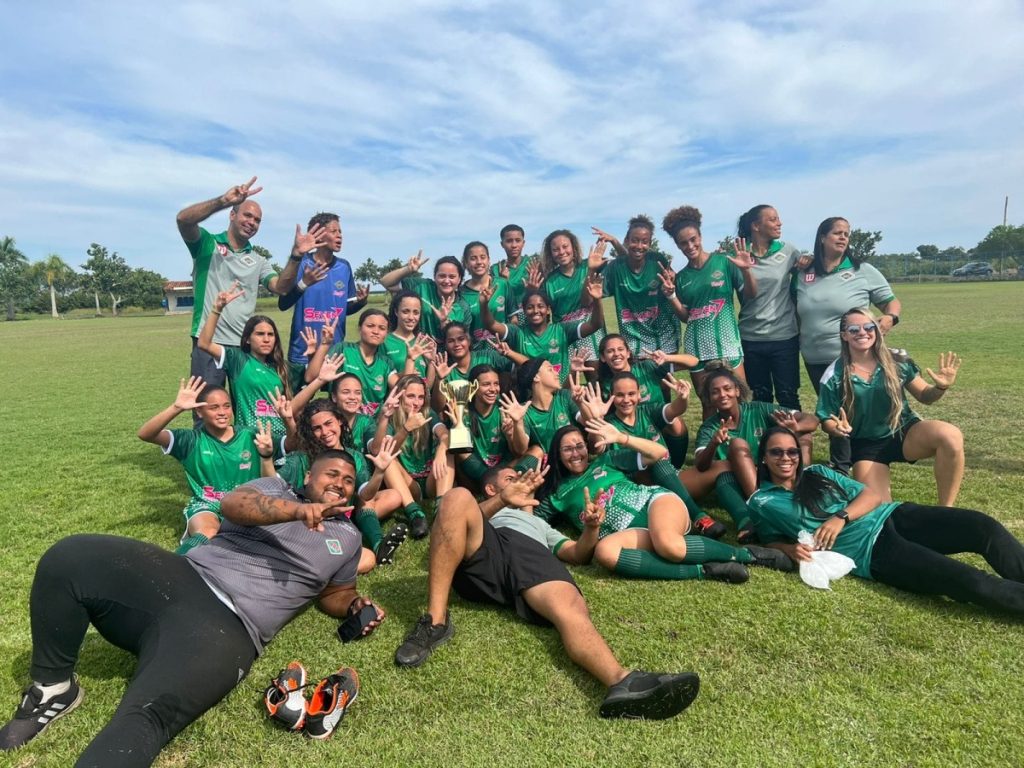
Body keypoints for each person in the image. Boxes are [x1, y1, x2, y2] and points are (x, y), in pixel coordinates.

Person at [0, 451, 381, 764]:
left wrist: (354, 605)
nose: (340, 483)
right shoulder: (276, 488)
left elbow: (336, 592)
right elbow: (234, 505)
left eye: (349, 480)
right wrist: (295, 511)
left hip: (230, 627)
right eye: (332, 474)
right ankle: (53, 689)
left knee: (146, 717)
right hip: (183, 575)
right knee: (69, 558)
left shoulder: (347, 538)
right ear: (309, 476)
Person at [393, 466, 702, 720]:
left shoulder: (541, 526)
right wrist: (503, 500)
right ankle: (435, 621)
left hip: (531, 556)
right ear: (491, 489)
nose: (523, 483)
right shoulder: (486, 508)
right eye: (512, 478)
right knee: (457, 496)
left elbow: (577, 554)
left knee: (569, 609)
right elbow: (451, 527)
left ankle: (622, 683)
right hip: (485, 548)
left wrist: (591, 529)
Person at [749, 426, 1024, 615]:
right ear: (764, 456)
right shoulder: (763, 502)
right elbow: (769, 539)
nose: (786, 458)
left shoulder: (818, 472)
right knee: (969, 580)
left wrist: (840, 518)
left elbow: (871, 496)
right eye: (776, 452)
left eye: (792, 451)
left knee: (982, 527)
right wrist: (788, 550)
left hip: (894, 515)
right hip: (874, 552)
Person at [536, 420, 795, 583]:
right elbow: (531, 520)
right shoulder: (557, 496)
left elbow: (659, 453)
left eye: (580, 446)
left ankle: (748, 555)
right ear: (557, 454)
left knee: (668, 545)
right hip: (631, 533)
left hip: (655, 503)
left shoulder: (604, 462)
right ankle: (706, 571)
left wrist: (621, 438)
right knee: (605, 552)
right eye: (568, 449)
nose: (576, 453)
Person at [175, 177, 315, 390]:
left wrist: (296, 256)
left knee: (250, 407)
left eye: (257, 220)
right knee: (207, 410)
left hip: (246, 346)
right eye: (247, 215)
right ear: (232, 214)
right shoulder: (207, 244)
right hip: (209, 341)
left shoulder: (258, 260)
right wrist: (222, 201)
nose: (252, 222)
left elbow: (280, 287)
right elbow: (184, 220)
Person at [816, 308, 964, 505]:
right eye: (854, 329)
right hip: (866, 446)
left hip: (904, 433)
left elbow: (925, 396)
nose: (862, 332)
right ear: (844, 335)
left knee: (950, 436)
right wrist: (837, 429)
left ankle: (946, 510)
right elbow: (826, 419)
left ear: (877, 330)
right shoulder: (833, 374)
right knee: (879, 509)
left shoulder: (897, 360)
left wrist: (940, 386)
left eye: (869, 327)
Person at [793, 216, 902, 471]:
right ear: (822, 237)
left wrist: (890, 318)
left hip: (851, 354)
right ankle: (847, 459)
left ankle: (844, 463)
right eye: (837, 233)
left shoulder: (861, 270)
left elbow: (891, 302)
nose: (843, 237)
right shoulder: (804, 273)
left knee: (849, 407)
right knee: (832, 408)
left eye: (847, 234)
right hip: (813, 354)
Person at [137, 376, 291, 554]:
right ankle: (173, 567)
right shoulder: (190, 440)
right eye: (214, 407)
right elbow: (145, 434)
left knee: (261, 542)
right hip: (208, 505)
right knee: (209, 533)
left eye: (227, 406)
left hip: (245, 504)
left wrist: (288, 421)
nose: (222, 412)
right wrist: (176, 408)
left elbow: (292, 443)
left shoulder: (251, 435)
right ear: (199, 412)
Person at [578, 373, 724, 539]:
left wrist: (683, 398)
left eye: (631, 394)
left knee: (722, 468)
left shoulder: (647, 411)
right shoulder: (609, 424)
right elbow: (596, 447)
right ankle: (699, 517)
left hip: (667, 477)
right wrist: (597, 419)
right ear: (612, 396)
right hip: (636, 487)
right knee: (657, 462)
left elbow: (675, 409)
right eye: (619, 395)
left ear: (639, 394)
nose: (626, 399)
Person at [690, 364, 818, 541]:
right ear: (710, 399)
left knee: (804, 437)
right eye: (715, 392)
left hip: (774, 473)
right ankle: (755, 512)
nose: (722, 395)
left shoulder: (759, 409)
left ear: (737, 391)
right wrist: (713, 444)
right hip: (740, 484)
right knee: (732, 453)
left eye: (727, 389)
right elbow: (701, 466)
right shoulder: (709, 428)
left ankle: (804, 490)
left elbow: (811, 420)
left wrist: (796, 427)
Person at [280, 398, 409, 569]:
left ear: (340, 420)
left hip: (344, 515)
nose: (325, 432)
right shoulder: (301, 458)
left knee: (391, 497)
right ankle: (321, 564)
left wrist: (379, 472)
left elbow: (365, 494)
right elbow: (273, 482)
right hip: (311, 523)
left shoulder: (354, 456)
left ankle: (377, 545)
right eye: (317, 428)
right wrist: (266, 457)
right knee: (365, 558)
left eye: (328, 423)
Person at [661, 204, 758, 418]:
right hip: (698, 350)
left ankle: (742, 447)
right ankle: (711, 449)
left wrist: (746, 271)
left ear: (700, 236)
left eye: (693, 239)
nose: (690, 245)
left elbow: (750, 295)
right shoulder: (682, 277)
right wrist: (671, 296)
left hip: (728, 345)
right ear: (678, 246)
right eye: (683, 243)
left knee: (739, 401)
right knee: (708, 405)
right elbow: (687, 316)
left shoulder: (724, 262)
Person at [277, 211, 369, 392]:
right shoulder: (301, 263)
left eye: (340, 231)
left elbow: (343, 309)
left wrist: (360, 302)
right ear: (318, 233)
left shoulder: (344, 267)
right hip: (303, 351)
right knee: (296, 406)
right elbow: (283, 303)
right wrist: (304, 283)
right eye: (334, 231)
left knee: (336, 408)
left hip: (334, 352)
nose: (340, 235)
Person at [197, 283, 297, 443]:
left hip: (281, 439)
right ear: (247, 339)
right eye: (260, 334)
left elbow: (312, 376)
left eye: (271, 335)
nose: (266, 339)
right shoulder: (238, 359)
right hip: (249, 438)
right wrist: (217, 309)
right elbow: (204, 343)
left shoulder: (282, 367)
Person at [735, 205, 805, 410]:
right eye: (773, 219)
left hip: (784, 337)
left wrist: (807, 261)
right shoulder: (740, 253)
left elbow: (807, 271)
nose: (779, 223)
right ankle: (765, 440)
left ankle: (792, 441)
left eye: (778, 219)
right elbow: (747, 294)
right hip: (751, 338)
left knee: (788, 396)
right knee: (760, 397)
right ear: (756, 226)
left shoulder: (789, 251)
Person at [369, 375, 454, 537]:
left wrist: (442, 450)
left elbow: (445, 435)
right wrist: (405, 429)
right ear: (400, 396)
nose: (417, 402)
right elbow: (383, 451)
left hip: (431, 480)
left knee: (448, 450)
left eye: (421, 397)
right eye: (411, 396)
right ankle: (415, 514)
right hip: (407, 485)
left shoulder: (427, 413)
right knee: (386, 459)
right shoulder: (389, 416)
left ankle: (441, 511)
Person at [482, 280, 605, 385]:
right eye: (530, 307)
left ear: (548, 310)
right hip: (531, 395)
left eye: (540, 306)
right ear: (524, 311)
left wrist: (597, 300)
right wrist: (484, 305)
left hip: (560, 391)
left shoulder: (562, 330)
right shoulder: (518, 333)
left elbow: (595, 325)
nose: (536, 311)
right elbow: (491, 325)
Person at [594, 215, 682, 359]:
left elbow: (673, 281)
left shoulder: (657, 260)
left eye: (644, 242)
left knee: (665, 376)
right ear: (627, 241)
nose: (639, 246)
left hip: (664, 332)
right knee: (637, 377)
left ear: (650, 243)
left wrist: (673, 280)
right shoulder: (616, 267)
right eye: (634, 240)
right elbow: (627, 260)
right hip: (634, 336)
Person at [539, 229, 608, 359]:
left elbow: (587, 302)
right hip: (566, 335)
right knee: (569, 377)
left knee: (596, 377)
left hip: (592, 332)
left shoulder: (589, 265)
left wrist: (614, 241)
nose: (561, 252)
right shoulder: (549, 281)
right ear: (550, 254)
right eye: (555, 249)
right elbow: (546, 317)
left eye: (565, 246)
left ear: (573, 247)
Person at [321, 308, 401, 416]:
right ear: (360, 328)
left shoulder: (385, 363)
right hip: (340, 421)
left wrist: (411, 360)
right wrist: (325, 344)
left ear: (386, 334)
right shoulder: (343, 350)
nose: (376, 331)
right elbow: (311, 377)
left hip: (371, 426)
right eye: (370, 326)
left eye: (382, 328)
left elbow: (402, 390)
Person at [380, 252, 472, 343]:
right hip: (415, 350)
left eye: (452, 277)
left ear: (459, 279)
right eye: (442, 276)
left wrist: (444, 324)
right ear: (434, 277)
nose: (446, 281)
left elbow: (461, 341)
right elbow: (386, 283)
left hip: (445, 354)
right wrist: (408, 269)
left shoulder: (463, 307)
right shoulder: (422, 286)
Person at [459, 240, 511, 348]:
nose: (479, 262)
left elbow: (514, 317)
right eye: (473, 258)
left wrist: (511, 338)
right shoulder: (461, 293)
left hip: (503, 352)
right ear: (466, 263)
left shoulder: (502, 284)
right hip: (476, 354)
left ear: (489, 260)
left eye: (483, 257)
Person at [383, 289, 436, 385]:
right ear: (396, 311)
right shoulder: (385, 342)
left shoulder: (423, 342)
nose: (411, 317)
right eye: (405, 311)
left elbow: (428, 387)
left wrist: (432, 361)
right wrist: (403, 374)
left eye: (416, 312)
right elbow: (380, 380)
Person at [492, 224, 532, 325]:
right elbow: (494, 299)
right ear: (502, 244)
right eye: (509, 241)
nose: (514, 245)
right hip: (507, 317)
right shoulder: (496, 269)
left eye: (518, 240)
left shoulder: (532, 263)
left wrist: (533, 289)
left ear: (523, 243)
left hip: (532, 314)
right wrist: (502, 283)